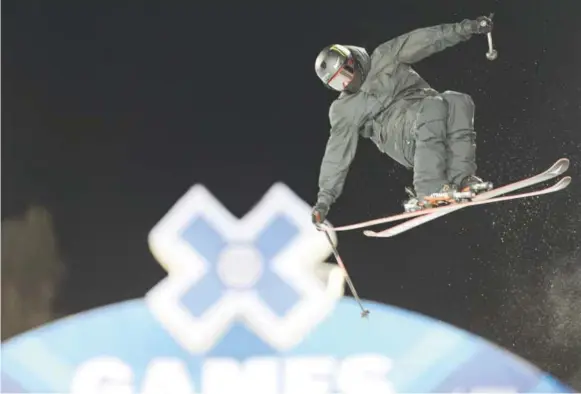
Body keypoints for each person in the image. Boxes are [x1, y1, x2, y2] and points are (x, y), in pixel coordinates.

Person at [311, 16, 495, 226]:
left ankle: (462, 178)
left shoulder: (385, 56)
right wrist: (323, 201)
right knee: (433, 106)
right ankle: (428, 187)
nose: (348, 80)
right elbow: (337, 154)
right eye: (339, 82)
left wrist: (466, 28)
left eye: (347, 71)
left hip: (429, 112)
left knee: (458, 101)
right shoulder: (343, 109)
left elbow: (425, 39)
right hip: (400, 137)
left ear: (352, 59)